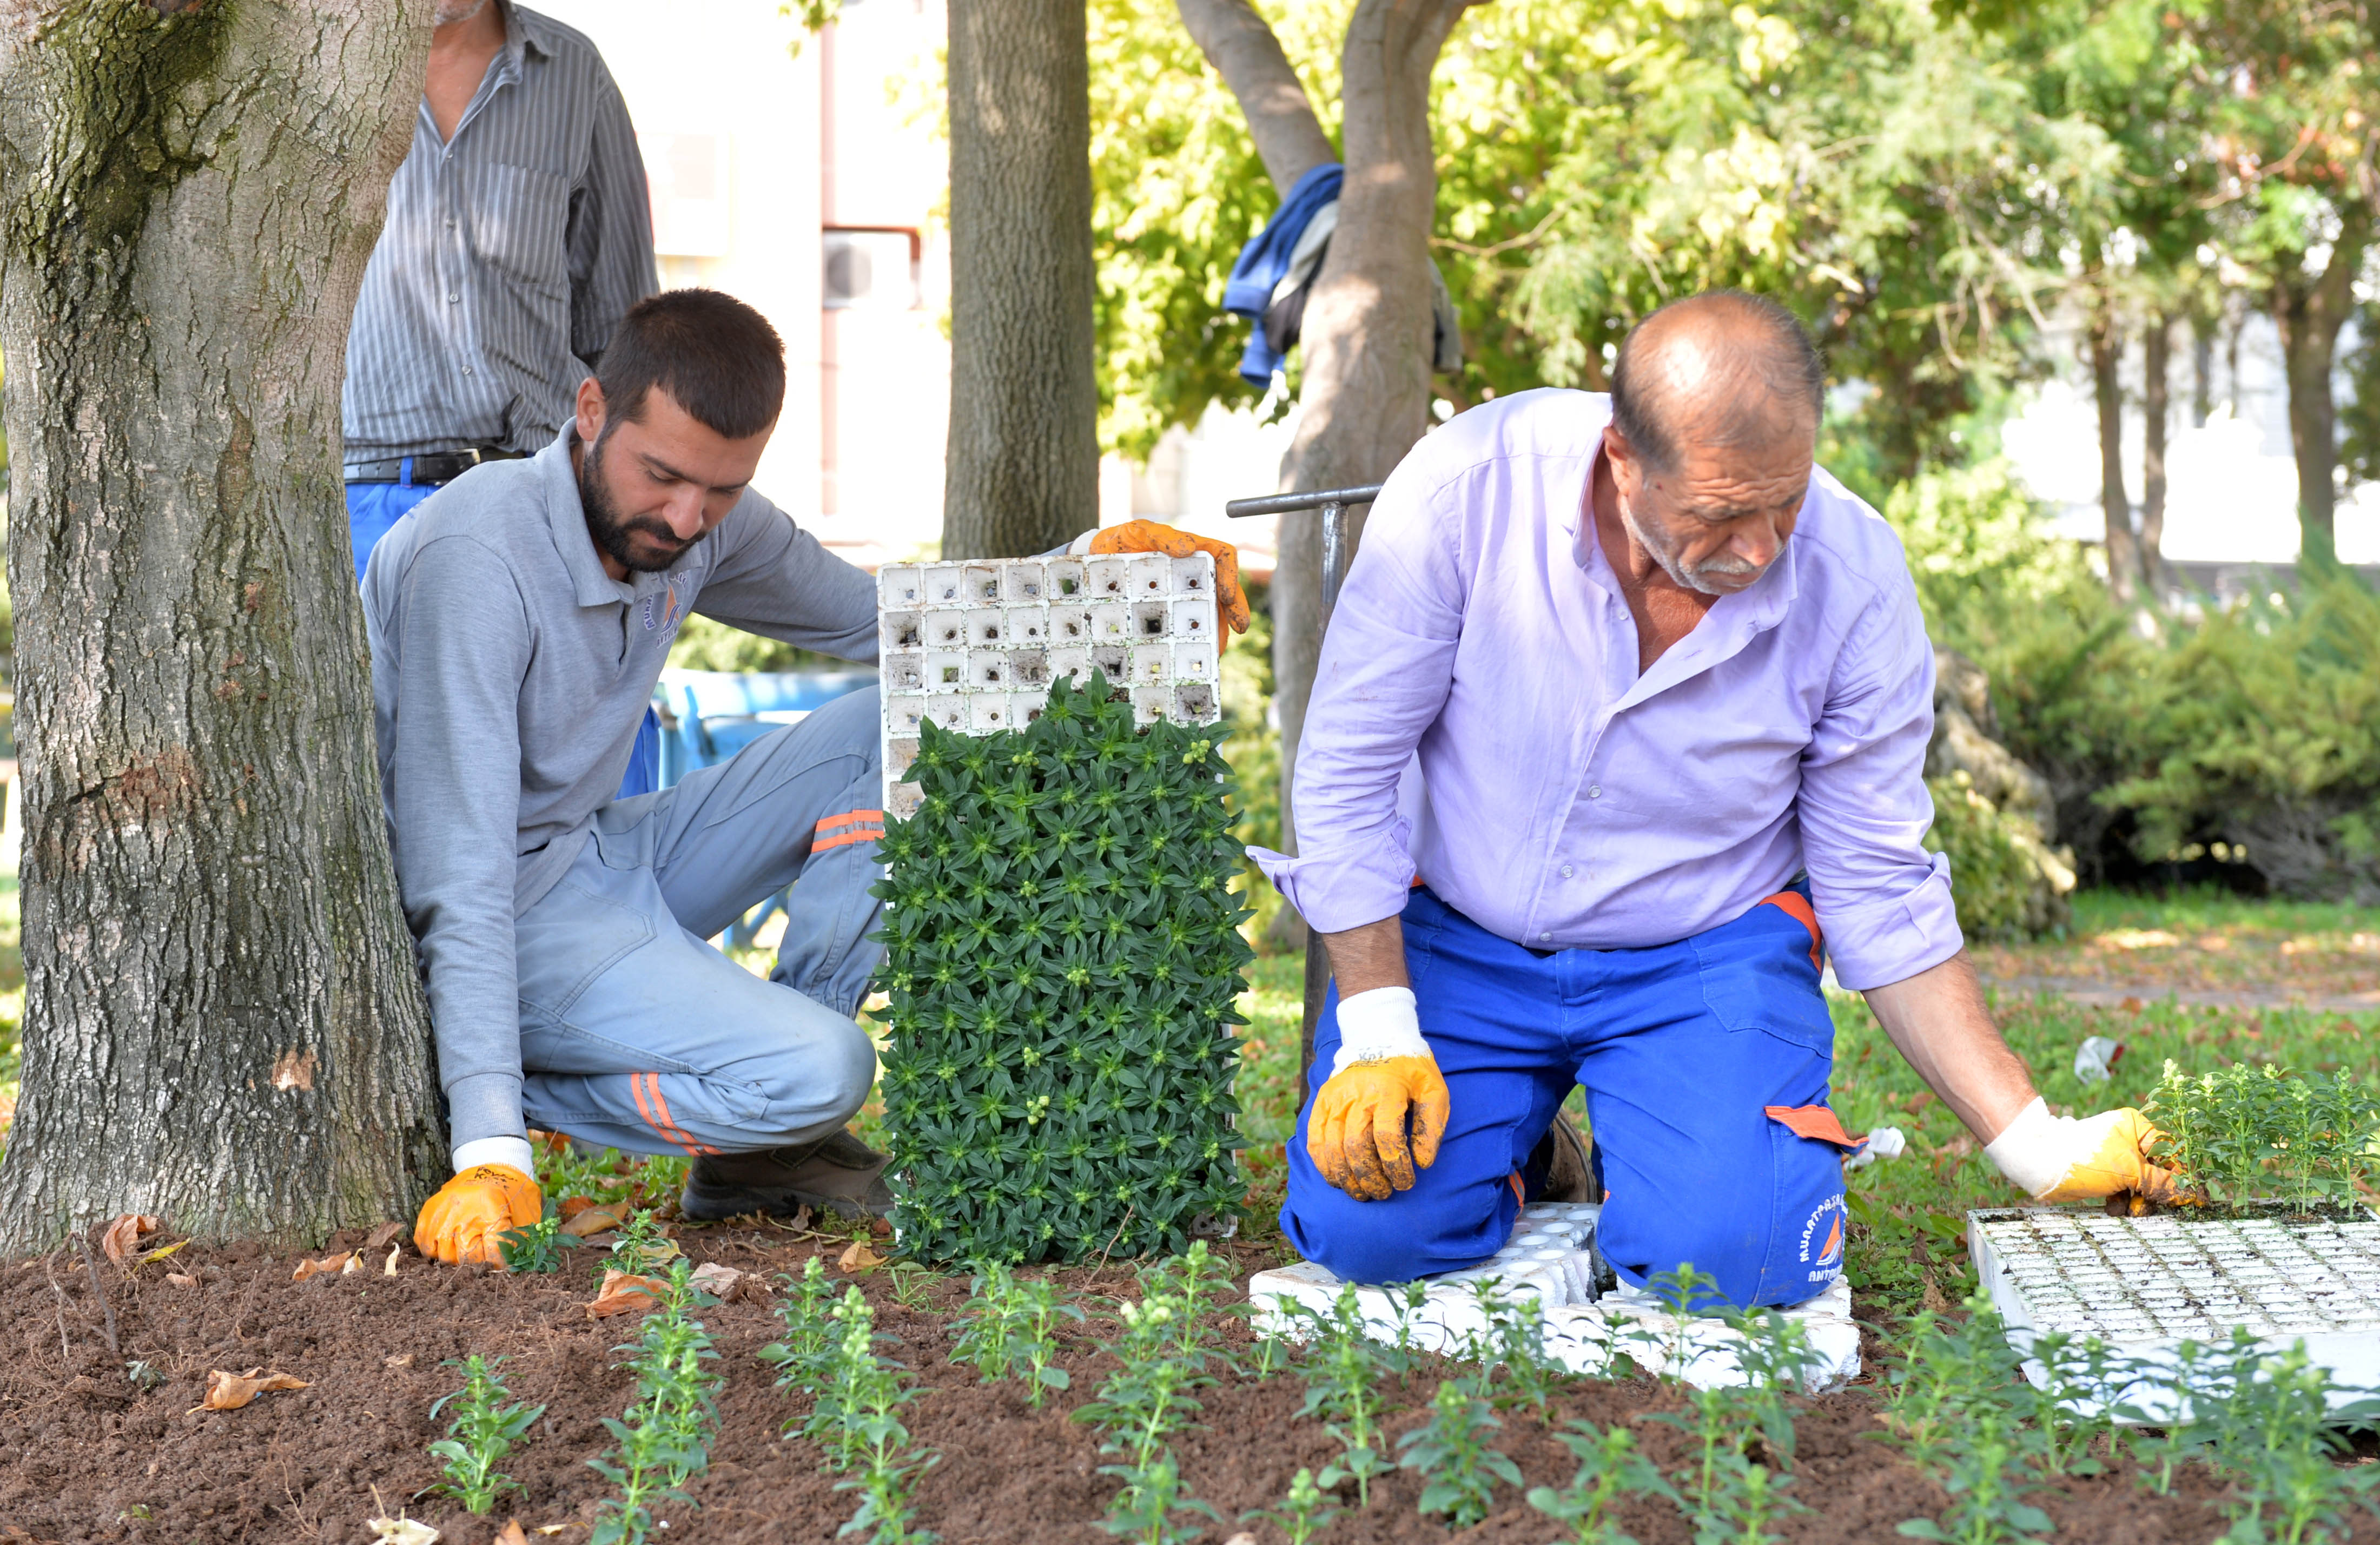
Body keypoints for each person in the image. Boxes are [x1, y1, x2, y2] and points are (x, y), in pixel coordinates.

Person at [1251, 290, 2175, 1307]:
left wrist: (2036, 1144)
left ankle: (1668, 1149)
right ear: (1622, 458)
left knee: (1740, 1259)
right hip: (1462, 931)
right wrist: (1382, 1029)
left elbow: (1877, 884)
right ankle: (1533, 1151)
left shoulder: (1857, 582)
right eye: (1719, 514)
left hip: (1700, 953)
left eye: (1786, 503)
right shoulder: (1464, 491)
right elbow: (1346, 772)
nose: (1761, 549)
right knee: (1366, 1229)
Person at [371, 289, 1248, 1265]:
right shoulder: (479, 555)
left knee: (892, 723)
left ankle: (770, 1147)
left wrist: (1096, 570)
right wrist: (490, 1143)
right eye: (662, 476)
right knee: (827, 1070)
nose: (687, 518)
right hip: (501, 908)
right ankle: (517, 1084)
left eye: (723, 490)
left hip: (596, 854)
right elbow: (457, 874)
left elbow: (894, 625)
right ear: (590, 412)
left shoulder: (698, 520)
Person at [341, 0, 656, 584]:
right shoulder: (304, 69)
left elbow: (621, 335)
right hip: (355, 505)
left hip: (539, 499)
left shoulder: (574, 72)